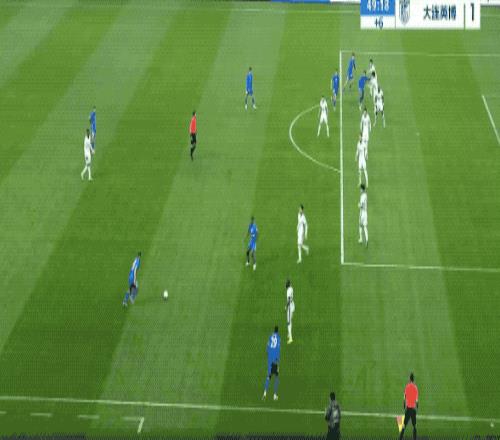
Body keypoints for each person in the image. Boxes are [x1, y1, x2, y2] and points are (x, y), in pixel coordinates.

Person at [262, 326, 280, 401]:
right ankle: (275, 395)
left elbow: (267, 347)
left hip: (269, 359)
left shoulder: (270, 336)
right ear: (277, 331)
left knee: (268, 377)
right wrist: (277, 359)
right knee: (276, 378)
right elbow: (278, 349)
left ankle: (264, 393)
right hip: (275, 361)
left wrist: (269, 354)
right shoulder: (278, 338)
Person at [399, 373, 419, 440]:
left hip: (408, 409)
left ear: (410, 379)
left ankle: (400, 438)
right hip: (413, 410)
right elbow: (417, 401)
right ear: (413, 379)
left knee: (404, 425)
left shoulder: (407, 387)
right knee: (414, 426)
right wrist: (417, 407)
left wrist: (404, 406)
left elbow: (404, 398)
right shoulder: (415, 388)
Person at [285, 279, 295, 344]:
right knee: (290, 321)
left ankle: (290, 338)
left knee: (288, 323)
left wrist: (286, 307)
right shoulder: (291, 288)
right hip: (293, 305)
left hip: (290, 308)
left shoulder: (288, 291)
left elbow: (288, 300)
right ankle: (289, 333)